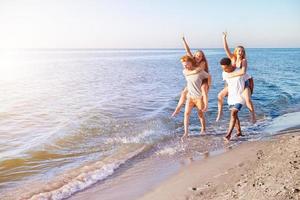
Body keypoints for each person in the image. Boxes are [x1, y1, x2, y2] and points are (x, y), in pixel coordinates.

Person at [216, 32, 256, 123]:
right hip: (233, 83)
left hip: (244, 82)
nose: (240, 52)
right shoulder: (232, 59)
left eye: (242, 51)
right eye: (239, 50)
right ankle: (220, 113)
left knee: (247, 99)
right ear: (236, 51)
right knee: (220, 96)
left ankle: (253, 116)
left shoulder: (243, 61)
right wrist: (224, 38)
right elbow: (226, 49)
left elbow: (243, 72)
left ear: (243, 53)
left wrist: (230, 75)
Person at [172, 36, 211, 117]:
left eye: (200, 56)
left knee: (203, 90)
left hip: (203, 80)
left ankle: (206, 105)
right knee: (184, 92)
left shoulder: (203, 63)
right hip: (194, 80)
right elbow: (187, 50)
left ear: (202, 57)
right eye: (197, 55)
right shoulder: (192, 59)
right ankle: (178, 108)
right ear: (194, 55)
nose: (198, 57)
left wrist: (186, 73)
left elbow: (197, 71)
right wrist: (184, 40)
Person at [180, 55, 211, 141]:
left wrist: (208, 86)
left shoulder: (201, 72)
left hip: (199, 97)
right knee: (186, 114)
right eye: (183, 64)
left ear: (191, 63)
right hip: (190, 96)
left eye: (186, 64)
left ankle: (203, 129)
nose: (184, 66)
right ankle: (186, 133)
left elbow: (208, 76)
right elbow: (188, 72)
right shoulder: (185, 71)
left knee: (200, 114)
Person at [219, 58, 245, 142]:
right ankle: (239, 132)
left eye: (225, 67)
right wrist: (225, 92)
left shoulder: (239, 71)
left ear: (230, 65)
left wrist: (249, 92)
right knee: (235, 115)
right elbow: (226, 83)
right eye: (223, 68)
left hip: (240, 96)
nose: (224, 70)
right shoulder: (224, 73)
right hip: (231, 97)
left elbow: (250, 79)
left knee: (233, 113)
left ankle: (228, 134)